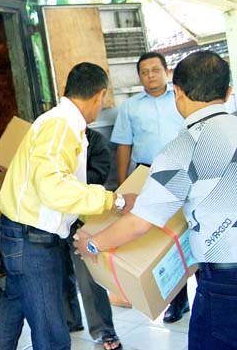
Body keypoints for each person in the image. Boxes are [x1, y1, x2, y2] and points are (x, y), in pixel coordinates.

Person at [75, 50, 236, 350]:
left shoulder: (182, 149)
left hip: (225, 282)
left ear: (177, 93)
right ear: (228, 93)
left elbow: (139, 223)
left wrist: (92, 244)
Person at [0, 62, 132, 350]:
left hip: (23, 233)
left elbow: (57, 187)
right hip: (32, 240)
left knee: (13, 307)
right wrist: (113, 200)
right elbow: (54, 188)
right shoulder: (61, 124)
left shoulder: (64, 123)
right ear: (99, 95)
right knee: (52, 333)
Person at [110, 52, 188, 323]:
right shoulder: (130, 107)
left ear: (166, 71)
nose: (151, 75)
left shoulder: (181, 99)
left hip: (182, 170)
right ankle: (176, 300)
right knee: (160, 237)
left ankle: (198, 292)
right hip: (146, 175)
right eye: (145, 72)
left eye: (156, 70)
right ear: (139, 76)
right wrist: (123, 185)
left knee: (186, 232)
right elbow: (124, 145)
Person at [62, 128, 123, 350]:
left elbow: (98, 177)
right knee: (60, 273)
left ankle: (104, 332)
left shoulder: (96, 141)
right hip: (56, 218)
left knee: (88, 277)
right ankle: (70, 321)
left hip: (83, 219)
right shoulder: (55, 140)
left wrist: (67, 180)